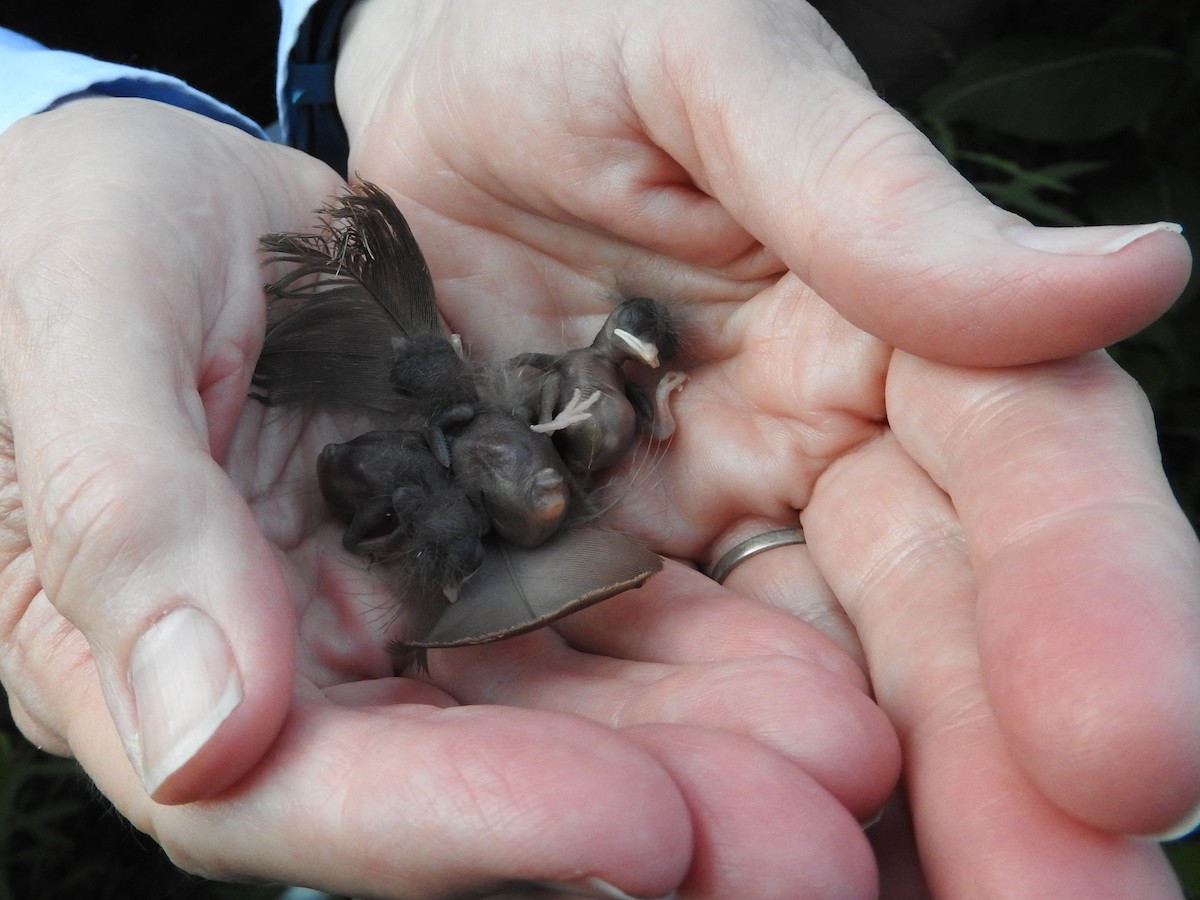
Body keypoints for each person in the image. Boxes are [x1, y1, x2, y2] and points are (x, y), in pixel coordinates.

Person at [1, 1, 1196, 896]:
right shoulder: (448, 452)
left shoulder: (540, 413)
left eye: (536, 463)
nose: (534, 469)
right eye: (527, 468)